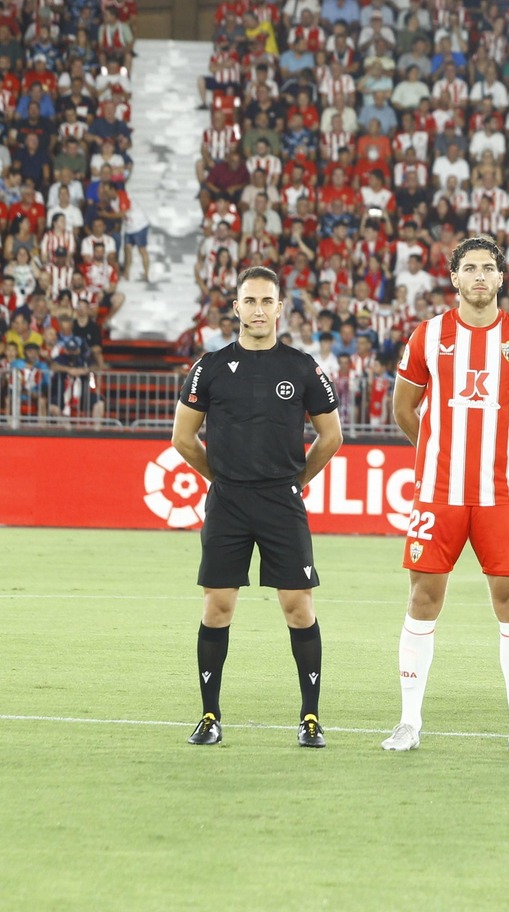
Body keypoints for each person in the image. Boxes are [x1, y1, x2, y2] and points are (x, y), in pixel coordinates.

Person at [385, 237, 509, 755]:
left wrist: (507, 453)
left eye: (488, 268)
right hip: (439, 493)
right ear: (454, 277)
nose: (479, 276)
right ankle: (408, 722)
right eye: (470, 268)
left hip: (500, 495)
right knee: (423, 597)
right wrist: (439, 450)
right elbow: (404, 409)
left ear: (501, 278)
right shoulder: (428, 335)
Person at [172, 266, 343, 748]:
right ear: (237, 308)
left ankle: (310, 718)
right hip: (228, 502)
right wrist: (222, 478)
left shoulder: (302, 367)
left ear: (280, 308)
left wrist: (296, 482)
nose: (259, 309)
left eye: (267, 301)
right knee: (217, 607)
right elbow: (183, 437)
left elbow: (331, 436)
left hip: (281, 503)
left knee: (298, 607)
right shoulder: (209, 366)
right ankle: (209, 715)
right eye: (250, 301)